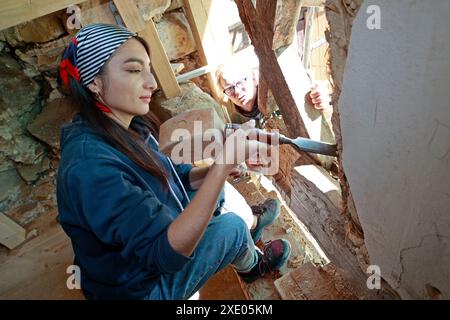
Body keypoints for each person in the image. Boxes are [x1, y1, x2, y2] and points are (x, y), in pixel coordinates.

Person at [56, 23, 291, 300]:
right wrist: (224, 163)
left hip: (143, 249)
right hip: (137, 288)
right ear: (93, 81)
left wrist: (227, 164)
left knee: (217, 193)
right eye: (133, 70)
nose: (152, 83)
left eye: (148, 68)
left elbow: (172, 175)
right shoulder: (90, 168)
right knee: (231, 227)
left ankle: (251, 226)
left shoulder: (127, 126)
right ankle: (251, 266)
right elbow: (166, 254)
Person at [216, 57, 331, 127]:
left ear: (254, 78)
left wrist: (320, 98)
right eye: (229, 88)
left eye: (241, 82)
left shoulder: (278, 94)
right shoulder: (236, 122)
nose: (237, 92)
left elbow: (311, 93)